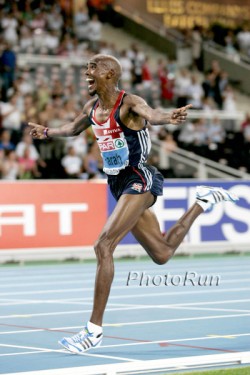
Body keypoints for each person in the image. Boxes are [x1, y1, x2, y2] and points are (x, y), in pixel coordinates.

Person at [28, 54, 238, 354]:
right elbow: (71, 129)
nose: (87, 73)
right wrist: (45, 131)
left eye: (93, 68)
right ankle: (203, 201)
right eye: (87, 68)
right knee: (162, 253)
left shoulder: (129, 103)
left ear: (110, 74)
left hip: (139, 178)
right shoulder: (92, 108)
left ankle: (93, 331)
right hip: (118, 184)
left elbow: (151, 114)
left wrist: (169, 117)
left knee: (103, 246)